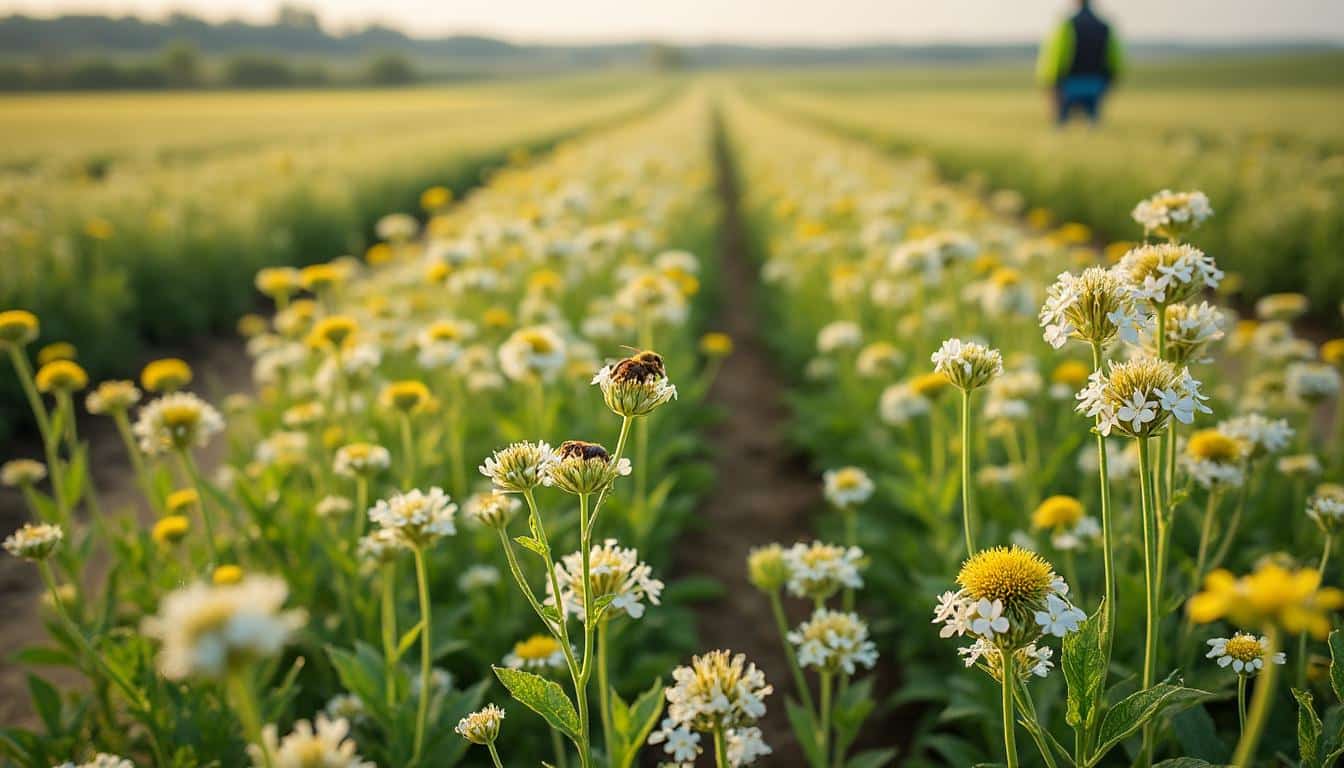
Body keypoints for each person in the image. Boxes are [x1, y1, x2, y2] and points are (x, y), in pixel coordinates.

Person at [1036, 0, 1125, 125]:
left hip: (1069, 84)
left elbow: (1056, 56)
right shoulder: (1104, 26)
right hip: (1096, 83)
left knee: (1061, 122)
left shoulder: (1067, 25)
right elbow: (1115, 59)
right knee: (1093, 122)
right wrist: (1110, 80)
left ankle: (1058, 139)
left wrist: (1049, 80)